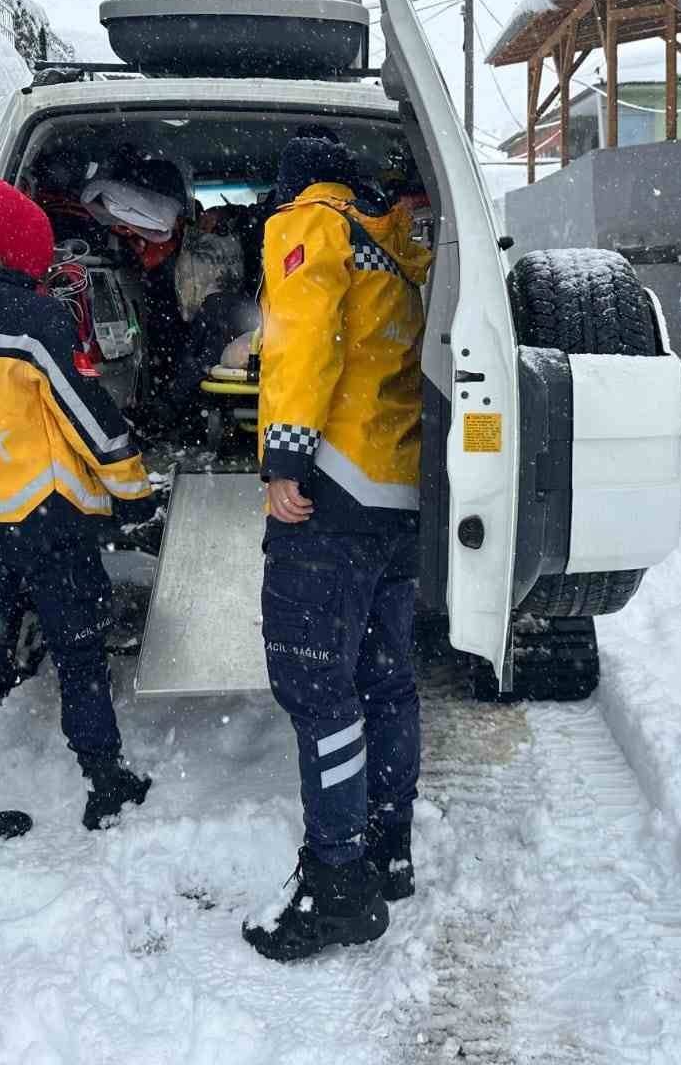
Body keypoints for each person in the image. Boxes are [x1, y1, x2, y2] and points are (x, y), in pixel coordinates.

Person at [0, 178, 156, 859]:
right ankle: (104, 780)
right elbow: (87, 420)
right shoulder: (36, 320)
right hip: (40, 516)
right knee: (78, 645)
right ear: (21, 246)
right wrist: (132, 488)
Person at [242, 138, 432, 962]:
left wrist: (284, 455)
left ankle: (337, 883)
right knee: (385, 681)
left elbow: (303, 334)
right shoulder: (394, 241)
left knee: (317, 689)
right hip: (394, 488)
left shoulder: (310, 222)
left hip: (331, 491)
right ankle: (388, 846)